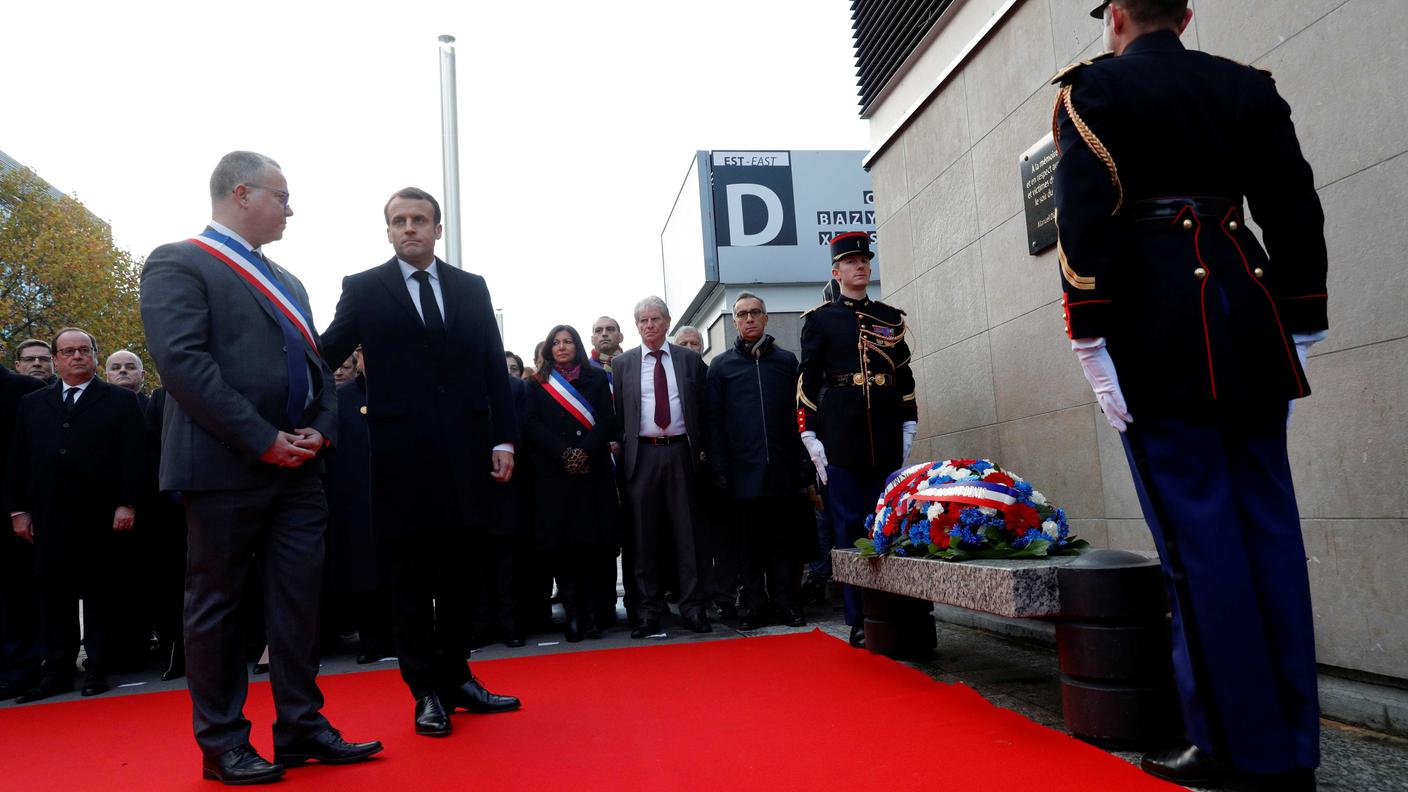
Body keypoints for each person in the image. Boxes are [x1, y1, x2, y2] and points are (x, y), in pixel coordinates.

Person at [1052, 3, 1326, 789]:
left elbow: (1083, 219)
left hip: (1157, 326)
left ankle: (1235, 748)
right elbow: (1293, 203)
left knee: (1198, 541)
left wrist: (1089, 337)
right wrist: (1301, 315)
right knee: (1268, 526)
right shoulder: (1246, 86)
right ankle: (1294, 745)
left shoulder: (1092, 92)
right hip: (1250, 307)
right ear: (1186, 13)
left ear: (1118, 19)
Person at [141, 151, 381, 784]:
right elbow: (184, 366)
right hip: (223, 467)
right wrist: (261, 438)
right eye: (282, 196)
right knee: (217, 607)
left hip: (300, 469)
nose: (290, 209)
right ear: (242, 194)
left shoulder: (290, 281)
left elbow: (318, 370)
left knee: (300, 604)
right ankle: (223, 744)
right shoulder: (178, 262)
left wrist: (321, 431)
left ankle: (300, 726)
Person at [320, 187, 520, 739]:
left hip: (466, 458)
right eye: (398, 221)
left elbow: (490, 367)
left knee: (461, 579)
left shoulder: (470, 288)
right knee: (408, 583)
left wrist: (504, 441)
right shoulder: (363, 289)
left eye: (419, 220)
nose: (409, 228)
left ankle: (457, 678)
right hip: (399, 463)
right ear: (387, 230)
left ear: (437, 228)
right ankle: (425, 691)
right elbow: (324, 353)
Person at [5, 328, 145, 701]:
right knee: (54, 597)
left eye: (85, 349)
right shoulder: (33, 403)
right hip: (49, 517)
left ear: (96, 355)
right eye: (68, 351)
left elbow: (135, 457)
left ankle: (98, 668)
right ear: (56, 359)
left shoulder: (119, 401)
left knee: (99, 594)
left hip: (101, 515)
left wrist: (127, 502)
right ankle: (57, 672)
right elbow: (19, 459)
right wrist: (18, 510)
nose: (77, 356)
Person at [797, 233, 918, 648]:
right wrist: (809, 432)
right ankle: (859, 617)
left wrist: (908, 424)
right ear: (836, 272)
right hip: (842, 433)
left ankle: (893, 610)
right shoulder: (820, 319)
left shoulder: (890, 316)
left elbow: (904, 378)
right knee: (848, 527)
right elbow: (808, 381)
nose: (859, 267)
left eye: (864, 260)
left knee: (888, 523)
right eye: (850, 262)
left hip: (883, 430)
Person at [706, 293, 813, 629]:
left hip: (782, 471)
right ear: (735, 321)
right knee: (749, 547)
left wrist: (803, 463)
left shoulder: (786, 362)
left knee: (784, 544)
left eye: (755, 312)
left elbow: (802, 415)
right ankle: (754, 606)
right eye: (742, 314)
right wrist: (720, 470)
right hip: (742, 474)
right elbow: (713, 422)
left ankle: (787, 603)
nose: (749, 319)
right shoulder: (721, 367)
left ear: (766, 318)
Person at [613, 296, 711, 637]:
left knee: (688, 536)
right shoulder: (623, 364)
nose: (649, 326)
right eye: (643, 321)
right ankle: (648, 611)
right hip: (642, 456)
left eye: (655, 319)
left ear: (668, 322)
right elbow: (618, 414)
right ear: (636, 326)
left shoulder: (687, 359)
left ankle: (693, 609)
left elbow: (702, 408)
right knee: (643, 537)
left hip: (681, 453)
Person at [524, 325, 618, 642]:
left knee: (591, 548)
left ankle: (592, 615)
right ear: (549, 349)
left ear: (576, 346)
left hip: (591, 474)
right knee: (564, 551)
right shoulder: (536, 385)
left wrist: (584, 452)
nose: (562, 347)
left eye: (567, 342)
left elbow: (607, 420)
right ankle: (573, 616)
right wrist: (565, 453)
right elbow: (532, 426)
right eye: (556, 342)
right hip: (555, 476)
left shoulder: (594, 379)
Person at [0, 355, 44, 700]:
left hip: (12, 510)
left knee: (15, 595)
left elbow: (29, 456)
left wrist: (21, 508)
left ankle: (21, 672)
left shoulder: (25, 391)